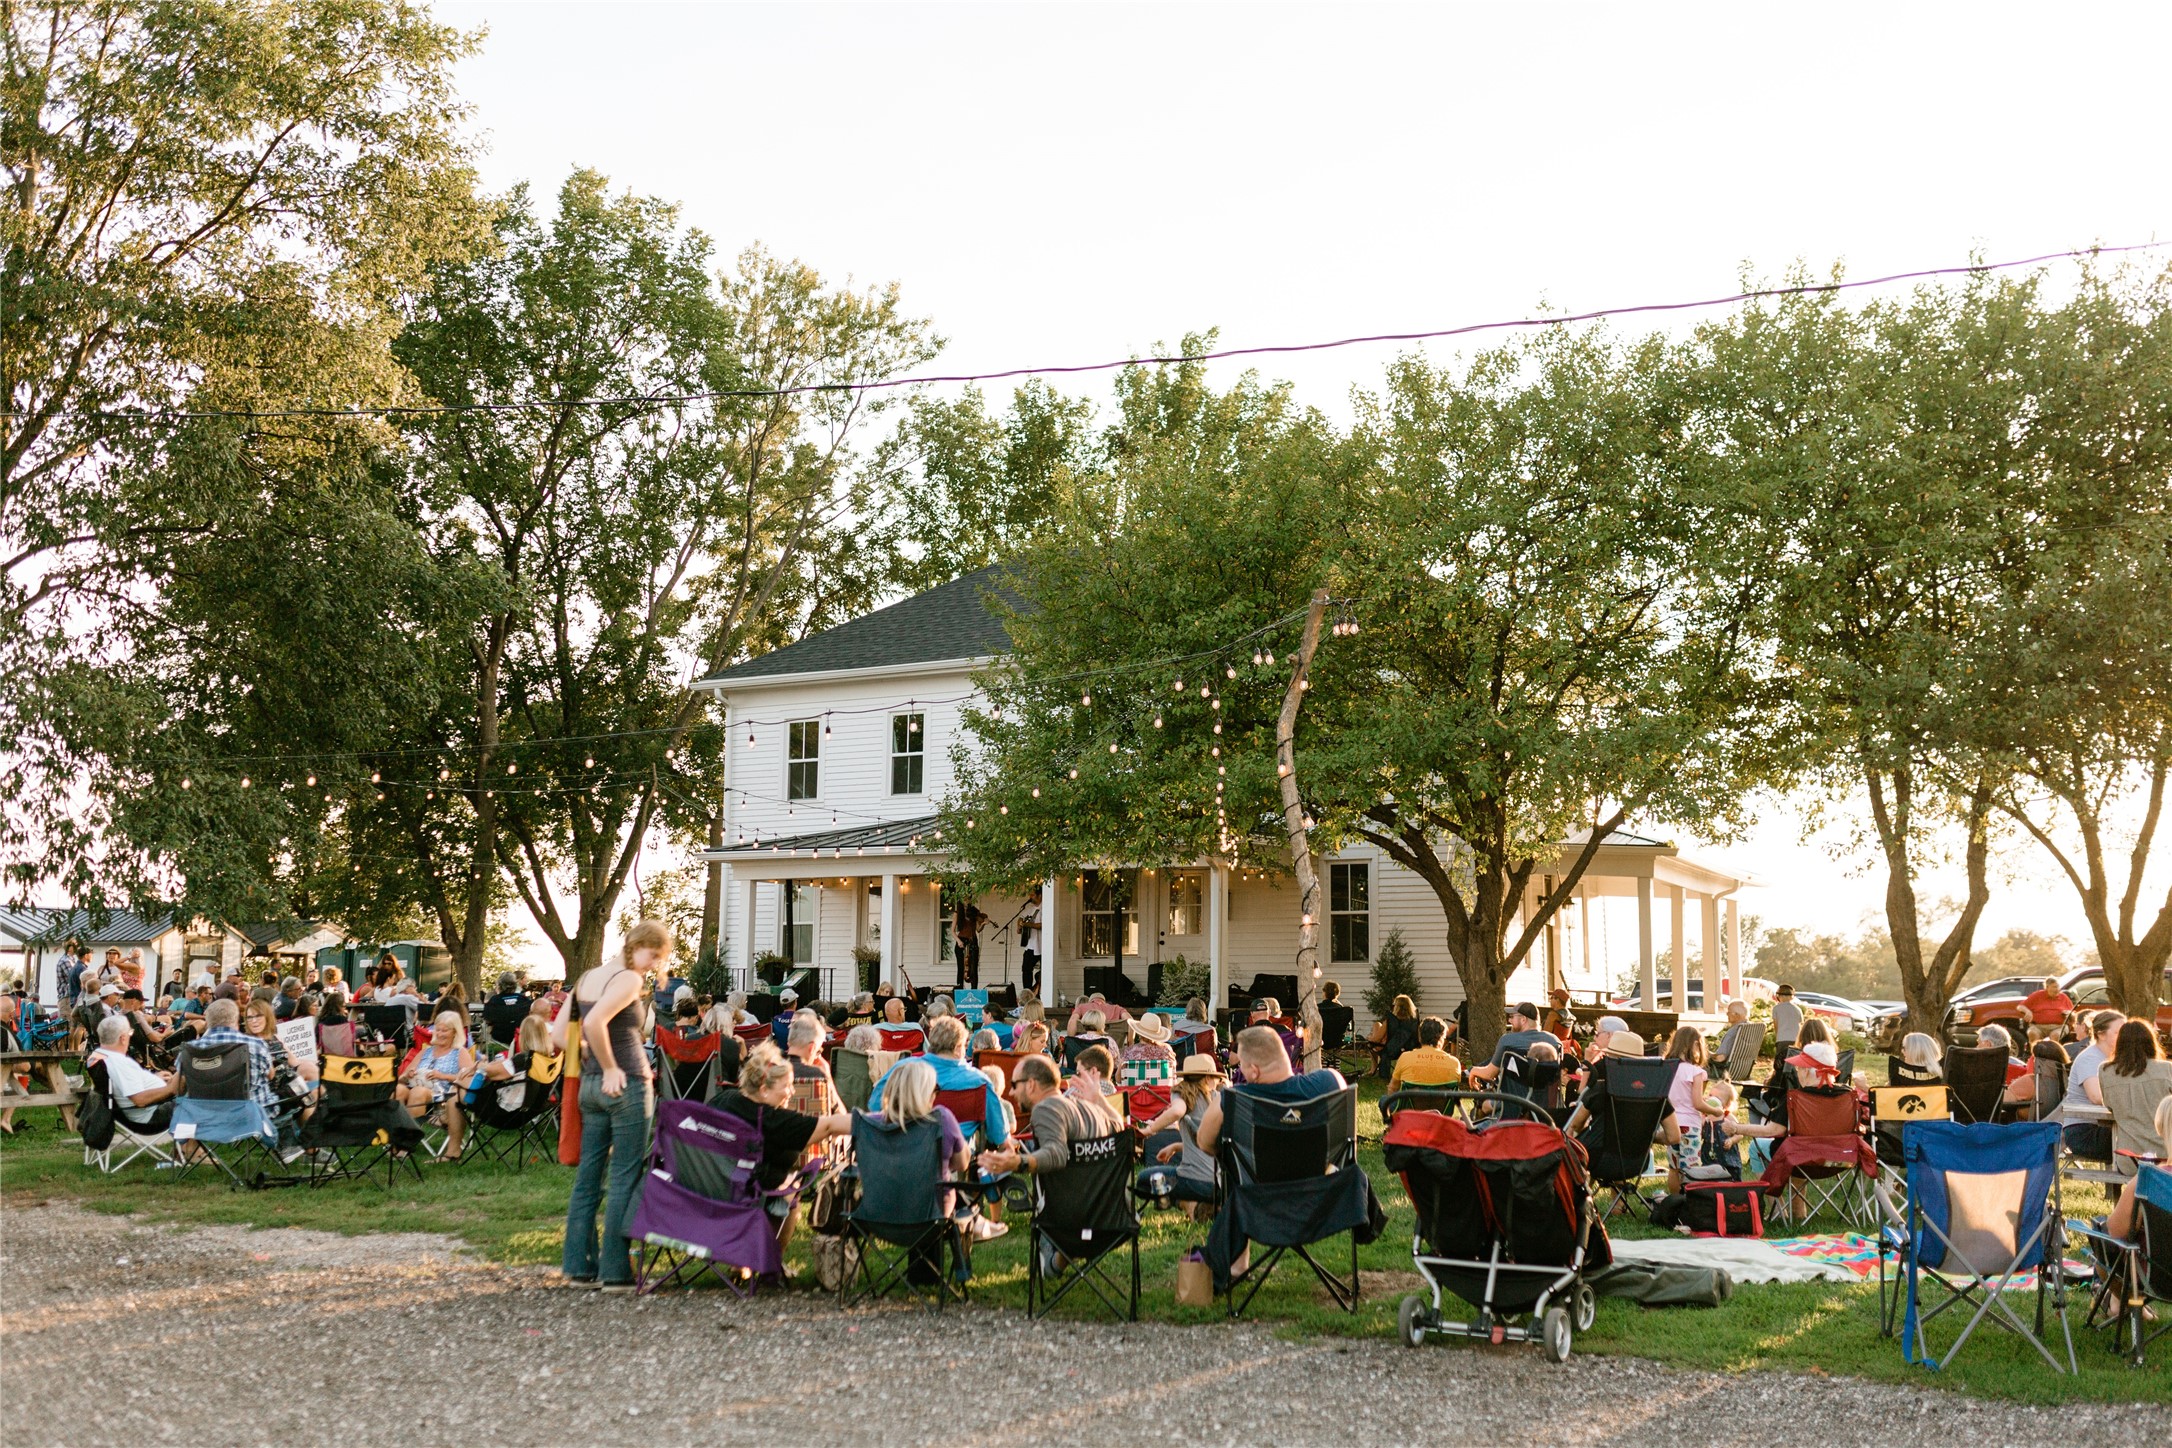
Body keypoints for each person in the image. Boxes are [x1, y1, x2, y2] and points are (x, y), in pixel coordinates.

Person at [553, 917, 667, 1291]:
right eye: (654, 955)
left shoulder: (586, 978)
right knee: (624, 1176)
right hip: (627, 1083)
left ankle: (578, 1267)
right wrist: (611, 1067)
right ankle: (614, 1272)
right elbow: (596, 1022)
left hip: (589, 1087)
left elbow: (557, 1035)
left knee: (588, 1179)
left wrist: (592, 1063)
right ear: (637, 946)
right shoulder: (628, 979)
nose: (653, 965)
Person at [712, 1044, 851, 1250]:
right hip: (744, 1192)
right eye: (787, 1086)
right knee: (791, 1187)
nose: (792, 1092)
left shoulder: (722, 1100)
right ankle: (769, 1265)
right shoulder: (772, 1120)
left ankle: (741, 1265)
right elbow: (830, 1125)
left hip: (707, 1186)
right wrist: (877, 1121)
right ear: (764, 1090)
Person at [1197, 1027, 1346, 1156]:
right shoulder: (1329, 1082)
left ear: (1254, 1071)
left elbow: (1205, 1144)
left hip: (1257, 1187)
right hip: (1322, 1186)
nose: (1241, 1069)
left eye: (1242, 1064)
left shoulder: (1233, 1099)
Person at [871, 1015, 1009, 1147]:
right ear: (957, 1048)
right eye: (965, 1045)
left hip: (905, 1149)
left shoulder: (902, 1069)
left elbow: (875, 1105)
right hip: (954, 1156)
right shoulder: (979, 1081)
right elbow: (998, 1135)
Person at [978, 1053, 1117, 1181]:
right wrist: (1098, 1100)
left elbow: (1056, 1154)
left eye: (1014, 1085)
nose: (1011, 1092)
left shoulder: (1046, 1108)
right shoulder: (1090, 1108)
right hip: (1101, 1201)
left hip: (1065, 1203)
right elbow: (1120, 1128)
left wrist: (1017, 1162)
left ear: (1031, 1084)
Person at [1138, 1053, 1224, 1214]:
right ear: (1207, 1078)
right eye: (1215, 1077)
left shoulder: (1182, 1093)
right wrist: (1178, 1146)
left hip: (1195, 1181)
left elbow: (1177, 1111)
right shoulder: (1219, 1099)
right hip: (1222, 1184)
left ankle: (1189, 1206)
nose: (1217, 1081)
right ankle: (1210, 1205)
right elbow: (1211, 1143)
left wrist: (1149, 1130)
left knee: (1144, 1179)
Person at [2099, 1020, 2171, 1177]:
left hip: (2129, 1159)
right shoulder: (2166, 1069)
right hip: (2166, 1156)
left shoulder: (2106, 1071)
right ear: (2151, 1042)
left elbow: (2109, 1105)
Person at [89, 1015, 180, 1135]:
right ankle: (190, 1149)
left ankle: (186, 1148)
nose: (130, 1036)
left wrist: (154, 1079)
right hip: (149, 1118)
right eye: (130, 1033)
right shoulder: (119, 1064)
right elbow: (140, 1100)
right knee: (194, 1103)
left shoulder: (99, 1055)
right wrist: (170, 1088)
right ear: (122, 1038)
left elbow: (126, 1083)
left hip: (136, 1113)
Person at [399, 1011, 473, 1158]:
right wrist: (408, 1075)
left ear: (455, 1032)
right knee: (398, 1089)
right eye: (437, 1029)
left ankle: (406, 1143)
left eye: (445, 1030)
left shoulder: (459, 1052)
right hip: (416, 1085)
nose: (440, 1033)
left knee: (418, 1092)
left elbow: (468, 1079)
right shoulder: (425, 1052)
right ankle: (395, 1138)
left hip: (442, 1096)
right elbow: (402, 1077)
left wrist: (442, 1076)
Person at [1467, 1003, 1561, 1087]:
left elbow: (1489, 1074)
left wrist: (1474, 1070)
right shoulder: (1555, 1041)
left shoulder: (1508, 1041)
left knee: (1485, 1104)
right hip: (1547, 1104)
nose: (1509, 1020)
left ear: (1523, 1019)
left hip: (1514, 1103)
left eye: (1512, 1017)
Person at [1387, 1017, 1462, 1092]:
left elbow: (1393, 1087)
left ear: (1420, 1037)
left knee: (1384, 1100)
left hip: (1412, 1103)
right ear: (1442, 1038)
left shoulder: (1405, 1058)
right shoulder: (1454, 1063)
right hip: (1442, 1103)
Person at [1118, 1009, 1178, 1086]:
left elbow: (1118, 1079)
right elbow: (1173, 1077)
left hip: (1134, 1096)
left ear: (1139, 1033)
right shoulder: (1166, 1050)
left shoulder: (1129, 1051)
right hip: (1161, 1096)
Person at [951, 897, 986, 988]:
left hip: (973, 941)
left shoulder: (974, 912)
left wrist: (983, 924)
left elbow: (978, 930)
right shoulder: (957, 913)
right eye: (965, 899)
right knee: (961, 968)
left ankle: (974, 990)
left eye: (968, 899)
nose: (967, 901)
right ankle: (959, 990)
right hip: (962, 940)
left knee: (974, 968)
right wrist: (958, 941)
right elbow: (952, 931)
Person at [1019, 884, 1043, 993]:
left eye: (1032, 895)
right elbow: (1021, 917)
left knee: (1044, 971)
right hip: (1030, 944)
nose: (1030, 897)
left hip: (1042, 945)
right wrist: (1019, 925)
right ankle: (1027, 993)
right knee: (1026, 970)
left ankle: (1038, 990)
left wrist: (1028, 925)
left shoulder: (1045, 907)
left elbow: (1042, 925)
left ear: (1040, 895)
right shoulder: (1030, 908)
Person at [1771, 984, 1804, 1054]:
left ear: (1779, 996)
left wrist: (1777, 1037)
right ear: (1792, 997)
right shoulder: (1797, 1009)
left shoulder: (1776, 1008)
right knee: (1793, 1062)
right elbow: (1800, 1025)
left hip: (1782, 1038)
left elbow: (1776, 1026)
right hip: (1795, 1039)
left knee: (1781, 1061)